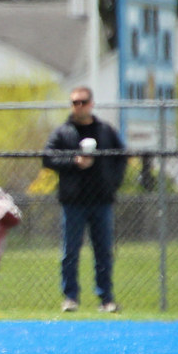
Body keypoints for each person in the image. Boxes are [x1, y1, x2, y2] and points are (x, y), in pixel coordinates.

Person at [43, 86, 127, 313]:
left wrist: (113, 183)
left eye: (82, 102)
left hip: (101, 201)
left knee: (104, 252)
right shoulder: (63, 132)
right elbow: (48, 157)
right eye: (74, 103)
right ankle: (70, 297)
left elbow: (121, 157)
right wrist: (74, 162)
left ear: (91, 104)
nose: (78, 107)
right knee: (70, 252)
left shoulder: (105, 131)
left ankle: (106, 299)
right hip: (73, 202)